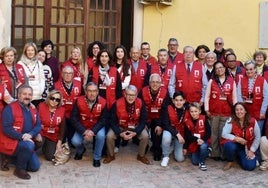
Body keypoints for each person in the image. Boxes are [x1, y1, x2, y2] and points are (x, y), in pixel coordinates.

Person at [0, 85, 42, 179]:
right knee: (29, 145)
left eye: (30, 94)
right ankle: (19, 169)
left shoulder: (32, 108)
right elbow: (6, 129)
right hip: (12, 141)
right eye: (24, 94)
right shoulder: (9, 109)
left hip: (26, 140)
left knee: (34, 167)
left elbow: (38, 124)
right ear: (19, 95)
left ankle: (10, 159)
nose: (27, 96)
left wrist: (31, 134)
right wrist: (23, 137)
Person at [103, 85, 150, 165]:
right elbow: (112, 121)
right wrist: (119, 133)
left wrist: (136, 132)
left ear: (136, 95)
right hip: (121, 126)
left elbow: (143, 121)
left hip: (135, 126)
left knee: (145, 136)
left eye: (133, 95)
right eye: (129, 94)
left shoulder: (141, 103)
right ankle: (111, 155)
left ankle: (141, 155)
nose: (131, 97)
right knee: (109, 136)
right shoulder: (117, 103)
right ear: (125, 94)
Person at [205, 61, 237, 160]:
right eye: (217, 68)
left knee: (223, 134)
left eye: (221, 67)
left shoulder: (232, 81)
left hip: (226, 112)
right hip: (214, 112)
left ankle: (223, 154)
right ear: (215, 71)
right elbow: (207, 97)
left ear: (225, 68)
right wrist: (206, 109)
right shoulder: (212, 81)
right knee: (214, 134)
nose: (219, 69)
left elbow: (234, 98)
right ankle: (215, 154)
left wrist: (235, 112)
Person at [71, 82, 108, 167]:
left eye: (94, 91)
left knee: (101, 136)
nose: (92, 93)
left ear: (97, 92)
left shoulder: (103, 102)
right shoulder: (79, 101)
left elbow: (103, 120)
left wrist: (93, 131)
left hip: (96, 127)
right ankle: (80, 151)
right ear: (86, 92)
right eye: (90, 91)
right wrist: (84, 131)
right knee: (75, 141)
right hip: (83, 127)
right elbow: (74, 118)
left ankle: (96, 158)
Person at [221, 102, 260, 171]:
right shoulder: (231, 120)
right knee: (229, 146)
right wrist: (237, 138)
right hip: (235, 144)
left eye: (241, 109)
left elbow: (257, 137)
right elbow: (224, 134)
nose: (239, 112)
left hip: (247, 147)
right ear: (234, 111)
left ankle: (239, 157)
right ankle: (230, 160)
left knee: (249, 167)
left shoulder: (253, 121)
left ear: (245, 111)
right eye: (237, 110)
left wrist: (252, 150)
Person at [139, 73, 169, 161]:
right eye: (153, 82)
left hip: (158, 117)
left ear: (160, 83)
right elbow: (140, 109)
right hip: (146, 117)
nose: (155, 84)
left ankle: (156, 150)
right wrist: (143, 123)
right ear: (149, 83)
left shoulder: (165, 92)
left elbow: (165, 111)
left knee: (157, 132)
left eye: (157, 82)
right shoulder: (143, 91)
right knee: (141, 131)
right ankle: (145, 146)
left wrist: (160, 125)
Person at [237, 60, 268, 133]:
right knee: (246, 134)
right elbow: (239, 96)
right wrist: (241, 111)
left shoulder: (262, 80)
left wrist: (262, 112)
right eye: (247, 69)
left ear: (255, 69)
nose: (249, 71)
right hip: (245, 113)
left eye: (251, 69)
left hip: (258, 113)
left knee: (257, 135)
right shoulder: (241, 80)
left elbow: (266, 97)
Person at [161, 91, 190, 167]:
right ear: (173, 101)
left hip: (181, 134)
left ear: (184, 101)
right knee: (166, 137)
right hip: (171, 131)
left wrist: (185, 146)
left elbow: (188, 129)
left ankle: (173, 146)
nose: (178, 102)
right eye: (176, 100)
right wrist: (177, 134)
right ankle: (166, 156)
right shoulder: (168, 108)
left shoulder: (188, 110)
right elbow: (166, 125)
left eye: (181, 100)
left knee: (180, 159)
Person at [55, 66, 82, 146]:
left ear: (73, 75)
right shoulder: (56, 85)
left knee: (73, 137)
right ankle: (62, 144)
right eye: (65, 73)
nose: (67, 75)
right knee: (63, 130)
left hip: (75, 114)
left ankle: (72, 143)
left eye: (70, 73)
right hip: (62, 114)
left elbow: (83, 98)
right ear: (62, 74)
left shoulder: (79, 84)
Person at [39, 90, 65, 161]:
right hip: (42, 133)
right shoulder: (41, 106)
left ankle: (46, 147)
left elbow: (62, 129)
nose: (54, 101)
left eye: (57, 100)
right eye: (52, 98)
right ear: (49, 97)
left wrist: (59, 143)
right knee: (39, 142)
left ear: (59, 101)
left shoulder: (62, 110)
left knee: (50, 157)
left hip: (53, 136)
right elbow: (35, 120)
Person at [184, 102, 211, 171]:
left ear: (199, 111)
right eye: (192, 111)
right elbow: (187, 136)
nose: (194, 113)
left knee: (203, 146)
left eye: (196, 111)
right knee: (195, 162)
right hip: (194, 142)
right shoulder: (187, 122)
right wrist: (196, 140)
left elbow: (208, 132)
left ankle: (202, 162)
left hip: (203, 141)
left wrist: (202, 140)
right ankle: (205, 153)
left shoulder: (204, 119)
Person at [17, 42, 45, 107]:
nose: (30, 52)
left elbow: (42, 78)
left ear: (35, 51)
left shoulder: (39, 63)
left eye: (32, 50)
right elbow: (19, 81)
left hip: (37, 96)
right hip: (26, 97)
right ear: (25, 51)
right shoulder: (20, 63)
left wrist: (41, 90)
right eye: (28, 50)